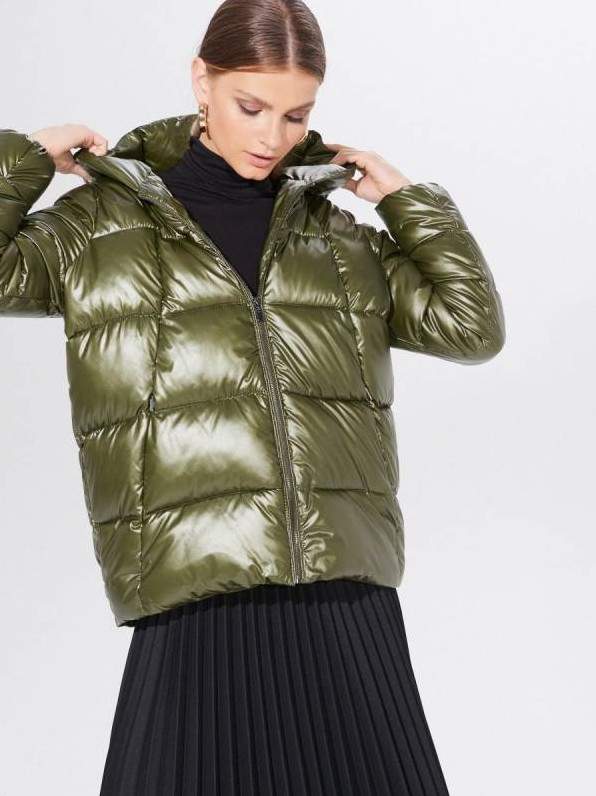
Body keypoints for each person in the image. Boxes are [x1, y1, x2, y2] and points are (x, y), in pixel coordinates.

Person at [1, 0, 505, 793]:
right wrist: (25, 158)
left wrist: (404, 198)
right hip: (194, 588)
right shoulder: (96, 227)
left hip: (342, 591)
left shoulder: (333, 236)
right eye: (251, 106)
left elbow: (470, 326)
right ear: (201, 80)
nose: (272, 136)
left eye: (296, 114)